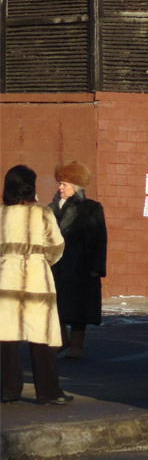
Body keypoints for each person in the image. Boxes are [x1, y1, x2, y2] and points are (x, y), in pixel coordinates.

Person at [1, 165, 74, 405]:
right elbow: (56, 247)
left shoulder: (1, 214)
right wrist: (40, 262)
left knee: (6, 339)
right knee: (42, 337)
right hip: (37, 279)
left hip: (6, 280)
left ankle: (8, 390)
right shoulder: (43, 213)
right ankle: (49, 391)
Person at [48, 161, 107, 359]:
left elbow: (99, 239)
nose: (60, 188)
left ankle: (76, 345)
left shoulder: (91, 208)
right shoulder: (50, 209)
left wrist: (96, 267)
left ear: (76, 186)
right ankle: (61, 339)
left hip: (81, 266)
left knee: (79, 307)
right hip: (56, 266)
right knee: (55, 304)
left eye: (65, 184)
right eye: (60, 183)